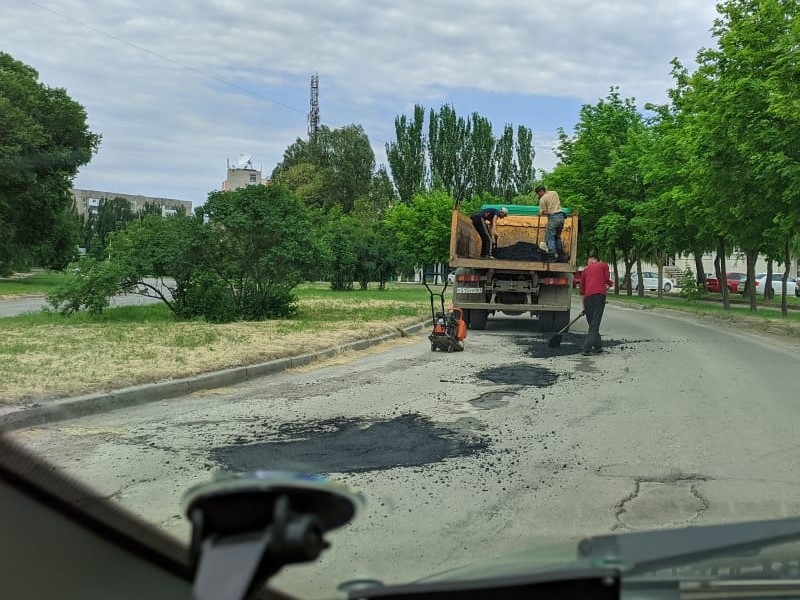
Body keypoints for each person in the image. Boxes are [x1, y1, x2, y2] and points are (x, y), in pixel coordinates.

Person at [578, 255, 613, 355]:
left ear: (594, 260)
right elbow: (606, 280)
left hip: (588, 297)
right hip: (599, 296)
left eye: (588, 261)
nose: (588, 264)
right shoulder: (604, 266)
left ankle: (597, 346)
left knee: (592, 322)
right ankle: (587, 347)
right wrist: (609, 284)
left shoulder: (585, 270)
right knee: (595, 322)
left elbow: (582, 291)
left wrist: (584, 307)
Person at [535, 185, 565, 262]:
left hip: (553, 217)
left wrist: (541, 211)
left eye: (538, 193)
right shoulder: (555, 193)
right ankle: (561, 256)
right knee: (557, 237)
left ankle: (551, 257)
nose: (538, 195)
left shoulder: (542, 199)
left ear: (541, 191)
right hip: (561, 217)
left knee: (550, 237)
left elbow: (545, 212)